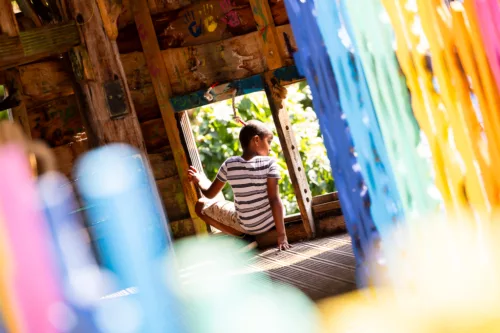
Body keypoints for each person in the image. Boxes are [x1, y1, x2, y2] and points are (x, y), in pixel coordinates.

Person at [188, 120, 291, 250]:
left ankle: (242, 237)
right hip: (271, 222)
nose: (270, 147)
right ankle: (249, 234)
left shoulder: (229, 164)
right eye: (269, 141)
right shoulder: (270, 163)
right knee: (277, 199)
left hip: (247, 226)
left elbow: (209, 194)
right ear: (256, 140)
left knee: (200, 205)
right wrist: (282, 236)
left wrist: (199, 179)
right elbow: (274, 199)